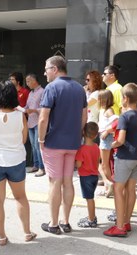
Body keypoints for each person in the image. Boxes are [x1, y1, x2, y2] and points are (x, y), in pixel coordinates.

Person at [0, 81, 37, 246]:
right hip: (15, 160)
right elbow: (24, 139)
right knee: (20, 197)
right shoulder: (20, 115)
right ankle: (27, 232)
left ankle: (1, 237)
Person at [38, 55, 87, 234]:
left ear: (55, 69)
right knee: (68, 181)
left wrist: (41, 140)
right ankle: (65, 221)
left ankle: (53, 223)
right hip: (72, 143)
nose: (45, 73)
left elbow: (43, 118)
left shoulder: (52, 88)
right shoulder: (79, 89)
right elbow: (84, 117)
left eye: (46, 69)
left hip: (54, 142)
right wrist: (76, 134)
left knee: (54, 182)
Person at [103, 83, 137, 237]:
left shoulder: (124, 117)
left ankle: (119, 226)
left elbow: (120, 140)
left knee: (118, 189)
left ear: (126, 99)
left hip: (125, 157)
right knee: (131, 189)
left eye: (121, 97)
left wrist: (111, 144)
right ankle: (127, 221)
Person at [75, 122, 100, 228]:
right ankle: (92, 216)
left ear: (83, 132)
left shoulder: (82, 149)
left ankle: (91, 219)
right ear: (96, 135)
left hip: (86, 177)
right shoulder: (96, 146)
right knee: (91, 197)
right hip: (95, 175)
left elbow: (79, 164)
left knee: (89, 198)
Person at [98, 90, 117, 198]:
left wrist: (107, 131)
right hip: (104, 136)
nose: (99, 100)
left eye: (101, 98)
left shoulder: (109, 110)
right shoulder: (105, 109)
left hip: (106, 137)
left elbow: (116, 121)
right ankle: (108, 185)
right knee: (104, 163)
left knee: (104, 164)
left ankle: (109, 186)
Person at [25, 73, 45, 177]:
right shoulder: (30, 93)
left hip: (38, 122)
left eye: (28, 81)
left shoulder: (42, 91)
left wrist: (33, 110)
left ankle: (42, 167)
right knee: (33, 146)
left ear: (34, 80)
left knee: (38, 146)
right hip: (30, 122)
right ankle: (36, 165)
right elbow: (27, 106)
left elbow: (44, 108)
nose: (27, 83)